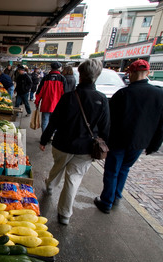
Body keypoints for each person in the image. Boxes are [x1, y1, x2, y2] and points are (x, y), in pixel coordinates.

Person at [40, 59, 110, 225]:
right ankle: (64, 214)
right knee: (73, 179)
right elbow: (105, 128)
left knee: (57, 167)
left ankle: (50, 186)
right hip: (85, 148)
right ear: (97, 76)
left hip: (62, 144)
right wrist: (106, 145)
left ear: (80, 74)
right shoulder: (102, 99)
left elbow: (54, 121)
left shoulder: (68, 97)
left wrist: (44, 139)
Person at [94, 60, 163, 214]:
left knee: (112, 171)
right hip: (140, 142)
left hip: (119, 140)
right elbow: (162, 123)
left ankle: (107, 201)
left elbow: (109, 120)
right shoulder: (159, 94)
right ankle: (116, 197)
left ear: (131, 74)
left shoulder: (123, 93)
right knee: (124, 169)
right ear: (147, 73)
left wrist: (102, 137)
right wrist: (155, 145)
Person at [35, 62, 67, 133]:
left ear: (51, 68)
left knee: (45, 120)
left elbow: (39, 92)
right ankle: (52, 135)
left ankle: (44, 137)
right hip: (57, 105)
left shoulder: (45, 78)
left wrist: (37, 102)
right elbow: (65, 94)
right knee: (55, 121)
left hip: (46, 103)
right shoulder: (62, 78)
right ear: (59, 68)